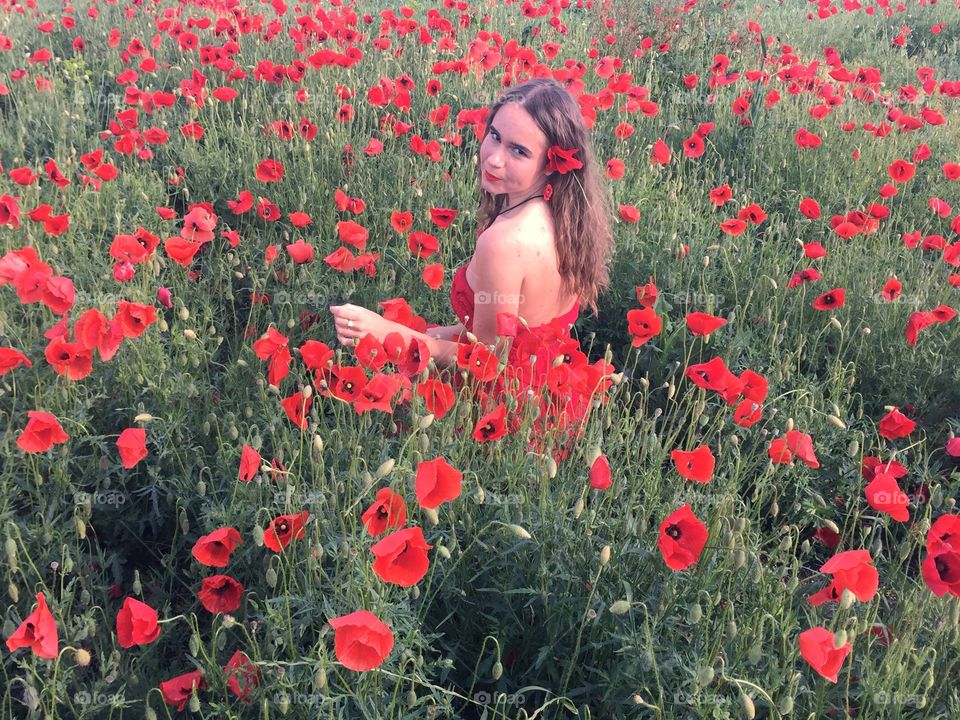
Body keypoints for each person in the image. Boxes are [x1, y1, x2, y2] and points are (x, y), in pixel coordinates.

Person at [329, 77, 616, 461]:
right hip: (549, 397)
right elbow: (514, 330)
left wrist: (383, 331)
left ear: (552, 165)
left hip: (501, 413)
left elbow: (486, 363)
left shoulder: (502, 243)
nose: (494, 157)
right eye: (494, 136)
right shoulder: (567, 219)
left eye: (518, 150)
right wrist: (432, 332)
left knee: (362, 397)